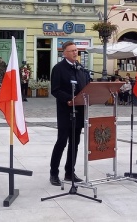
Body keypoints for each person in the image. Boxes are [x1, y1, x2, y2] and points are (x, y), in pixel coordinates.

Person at [49, 41, 88, 186]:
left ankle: (69, 172)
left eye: (76, 50)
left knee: (75, 143)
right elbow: (55, 90)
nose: (75, 52)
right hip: (66, 111)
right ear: (64, 53)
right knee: (62, 142)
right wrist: (69, 99)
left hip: (79, 110)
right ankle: (54, 173)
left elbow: (85, 87)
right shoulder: (59, 69)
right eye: (72, 50)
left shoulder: (81, 68)